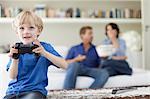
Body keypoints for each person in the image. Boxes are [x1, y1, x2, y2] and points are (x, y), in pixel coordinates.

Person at [3, 11, 67, 99]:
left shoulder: (45, 47)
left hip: (34, 91)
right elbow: (12, 76)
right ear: (16, 32)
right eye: (21, 28)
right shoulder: (16, 49)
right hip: (13, 91)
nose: (26, 32)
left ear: (39, 31)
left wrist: (45, 54)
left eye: (31, 28)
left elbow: (65, 65)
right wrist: (15, 60)